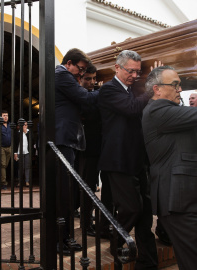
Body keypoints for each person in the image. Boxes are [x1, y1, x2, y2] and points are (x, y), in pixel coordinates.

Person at [98, 50, 158, 269]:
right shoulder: (109, 90)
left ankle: (148, 262)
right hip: (118, 160)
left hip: (139, 160)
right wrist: (152, 86)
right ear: (117, 68)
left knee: (145, 215)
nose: (134, 75)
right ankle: (116, 244)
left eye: (138, 71)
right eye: (130, 70)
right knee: (131, 209)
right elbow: (131, 109)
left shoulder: (134, 91)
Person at [142, 66, 197, 270]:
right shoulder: (157, 111)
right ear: (157, 89)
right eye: (175, 85)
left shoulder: (171, 113)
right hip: (177, 199)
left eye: (179, 85)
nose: (179, 90)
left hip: (184, 198)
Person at [55, 48, 98, 255]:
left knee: (69, 193)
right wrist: (107, 90)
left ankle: (67, 237)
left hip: (69, 140)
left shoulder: (68, 77)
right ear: (69, 63)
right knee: (62, 193)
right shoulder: (62, 75)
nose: (81, 75)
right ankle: (58, 240)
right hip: (62, 140)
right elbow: (85, 98)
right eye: (80, 70)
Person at [79, 63, 103, 236]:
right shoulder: (82, 97)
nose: (92, 82)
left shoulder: (93, 95)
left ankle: (87, 218)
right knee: (86, 188)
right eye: (88, 79)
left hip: (98, 147)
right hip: (85, 150)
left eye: (94, 79)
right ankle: (85, 223)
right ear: (80, 79)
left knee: (91, 186)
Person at [14, 121, 31, 187]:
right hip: (19, 152)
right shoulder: (17, 133)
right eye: (23, 125)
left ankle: (27, 181)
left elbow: (31, 140)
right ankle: (20, 181)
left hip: (27, 152)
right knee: (20, 167)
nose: (24, 126)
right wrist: (15, 153)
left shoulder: (29, 132)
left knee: (27, 167)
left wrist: (26, 132)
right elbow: (15, 143)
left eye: (25, 125)